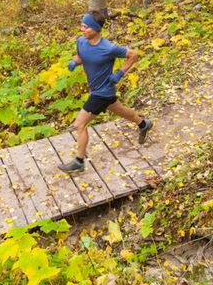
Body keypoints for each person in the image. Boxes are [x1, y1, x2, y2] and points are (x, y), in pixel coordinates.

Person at [59, 10, 153, 173]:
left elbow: (133, 55)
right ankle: (144, 124)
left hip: (102, 92)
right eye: (81, 26)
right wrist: (74, 61)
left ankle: (79, 161)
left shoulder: (108, 48)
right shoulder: (81, 42)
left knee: (80, 124)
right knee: (120, 110)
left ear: (96, 28)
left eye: (86, 27)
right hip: (98, 90)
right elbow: (81, 56)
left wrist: (119, 73)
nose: (82, 30)